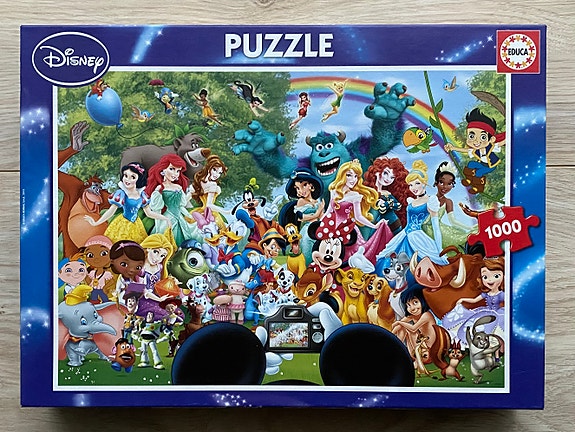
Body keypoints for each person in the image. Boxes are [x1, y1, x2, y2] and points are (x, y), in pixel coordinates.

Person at [316, 159, 392, 263]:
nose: (353, 179)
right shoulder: (334, 191)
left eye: (356, 176)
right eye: (349, 175)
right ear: (342, 175)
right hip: (332, 227)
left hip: (348, 229)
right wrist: (320, 223)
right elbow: (329, 210)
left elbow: (358, 216)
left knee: (350, 258)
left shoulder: (355, 196)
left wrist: (374, 226)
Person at [376, 160, 448, 265]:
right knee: (388, 256)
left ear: (424, 183)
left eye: (417, 183)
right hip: (404, 235)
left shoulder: (431, 201)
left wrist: (439, 249)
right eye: (411, 185)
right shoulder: (411, 201)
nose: (413, 188)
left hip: (418, 238)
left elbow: (436, 228)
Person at [85, 162, 170, 244]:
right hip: (122, 225)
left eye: (132, 177)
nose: (127, 179)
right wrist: (96, 223)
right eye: (126, 176)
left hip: (137, 226)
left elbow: (149, 213)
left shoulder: (142, 195)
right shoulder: (121, 193)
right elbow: (111, 211)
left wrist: (165, 218)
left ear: (138, 180)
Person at [442, 256, 505, 345]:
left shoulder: (502, 294)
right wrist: (463, 299)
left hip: (498, 314)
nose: (490, 280)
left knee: (487, 325)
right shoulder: (486, 294)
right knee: (470, 320)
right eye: (485, 277)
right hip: (485, 311)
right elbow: (475, 300)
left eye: (496, 276)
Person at [145, 154, 201, 246]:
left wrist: (190, 195)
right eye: (172, 169)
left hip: (180, 218)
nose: (175, 173)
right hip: (167, 219)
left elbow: (182, 204)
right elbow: (156, 208)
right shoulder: (160, 188)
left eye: (178, 171)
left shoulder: (178, 187)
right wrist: (161, 222)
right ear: (163, 169)